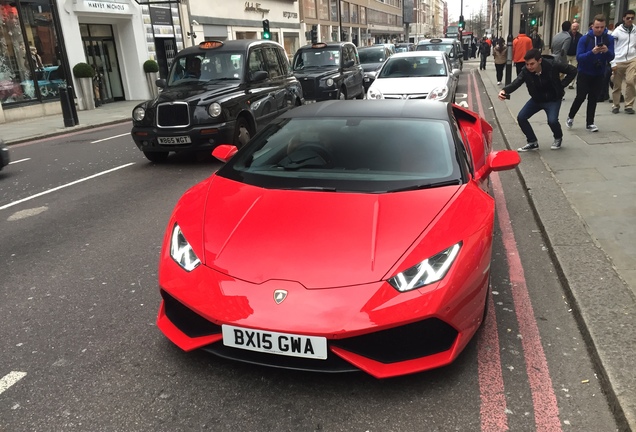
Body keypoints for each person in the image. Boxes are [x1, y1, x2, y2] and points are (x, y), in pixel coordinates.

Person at [499, 48, 577, 151]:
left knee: (552, 121)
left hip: (553, 99)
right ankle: (532, 142)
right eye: (527, 64)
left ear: (539, 61)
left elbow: (573, 70)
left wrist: (561, 85)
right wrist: (504, 90)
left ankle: (558, 138)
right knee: (521, 117)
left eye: (532, 64)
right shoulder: (525, 71)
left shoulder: (553, 65)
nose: (529, 67)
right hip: (537, 99)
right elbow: (516, 82)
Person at [566, 14, 615, 132]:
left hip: (599, 73)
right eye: (597, 27)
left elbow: (612, 56)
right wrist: (592, 52)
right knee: (580, 97)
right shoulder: (584, 39)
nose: (599, 30)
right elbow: (579, 57)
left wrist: (607, 51)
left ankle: (590, 123)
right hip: (584, 72)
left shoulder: (609, 39)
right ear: (592, 26)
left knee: (593, 98)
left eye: (602, 27)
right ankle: (570, 116)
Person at [609, 10, 636, 114]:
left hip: (631, 59)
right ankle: (615, 105)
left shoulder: (635, 30)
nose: (630, 20)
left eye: (632, 18)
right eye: (628, 18)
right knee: (617, 84)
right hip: (619, 60)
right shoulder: (617, 31)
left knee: (630, 81)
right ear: (624, 18)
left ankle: (628, 105)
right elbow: (612, 48)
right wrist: (613, 62)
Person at [566, 22, 583, 88]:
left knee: (574, 69)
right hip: (567, 54)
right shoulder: (567, 35)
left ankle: (571, 84)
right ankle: (561, 81)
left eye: (576, 27)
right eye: (573, 26)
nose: (574, 28)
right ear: (571, 27)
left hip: (575, 55)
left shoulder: (580, 36)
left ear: (578, 28)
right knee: (563, 68)